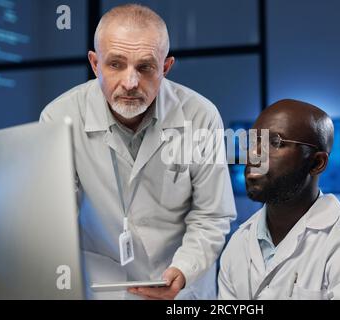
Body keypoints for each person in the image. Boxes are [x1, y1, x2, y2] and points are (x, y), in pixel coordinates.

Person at [40, 4, 236, 300]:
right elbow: (53, 219)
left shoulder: (200, 116)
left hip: (181, 286)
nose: (130, 83)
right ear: (95, 64)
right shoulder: (59, 117)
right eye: (115, 64)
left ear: (166, 67)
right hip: (103, 284)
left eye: (145, 67)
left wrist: (183, 270)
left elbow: (212, 215)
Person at [218, 99, 340, 300]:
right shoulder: (238, 244)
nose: (253, 155)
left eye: (274, 143)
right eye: (252, 142)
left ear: (317, 163)